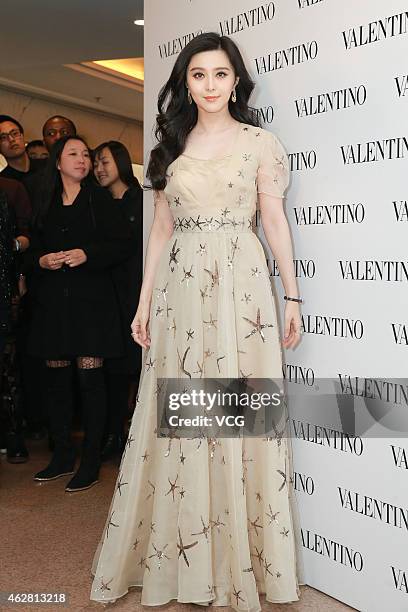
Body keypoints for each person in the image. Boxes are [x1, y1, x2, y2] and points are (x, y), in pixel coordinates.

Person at [90, 33, 303, 610]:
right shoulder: (171, 148)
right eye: (199, 75)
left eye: (220, 74)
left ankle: (240, 561)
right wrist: (142, 301)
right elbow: (159, 231)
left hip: (243, 286)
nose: (210, 85)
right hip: (182, 291)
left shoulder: (261, 143)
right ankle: (187, 555)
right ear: (186, 83)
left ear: (237, 81)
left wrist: (292, 296)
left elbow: (274, 221)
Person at [25, 135, 133, 492]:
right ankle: (60, 457)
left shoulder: (98, 199)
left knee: (91, 383)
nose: (83, 160)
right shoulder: (45, 201)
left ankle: (89, 462)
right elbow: (30, 248)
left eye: (86, 155)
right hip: (54, 305)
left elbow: (121, 245)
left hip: (92, 305)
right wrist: (40, 260)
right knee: (56, 385)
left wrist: (88, 254)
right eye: (73, 154)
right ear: (58, 162)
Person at [94, 141, 143, 460]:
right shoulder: (94, 202)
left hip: (135, 290)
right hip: (103, 295)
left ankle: (138, 437)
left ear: (122, 163)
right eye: (96, 163)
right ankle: (113, 434)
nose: (99, 168)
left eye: (105, 162)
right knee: (110, 369)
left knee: (137, 366)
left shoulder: (141, 200)